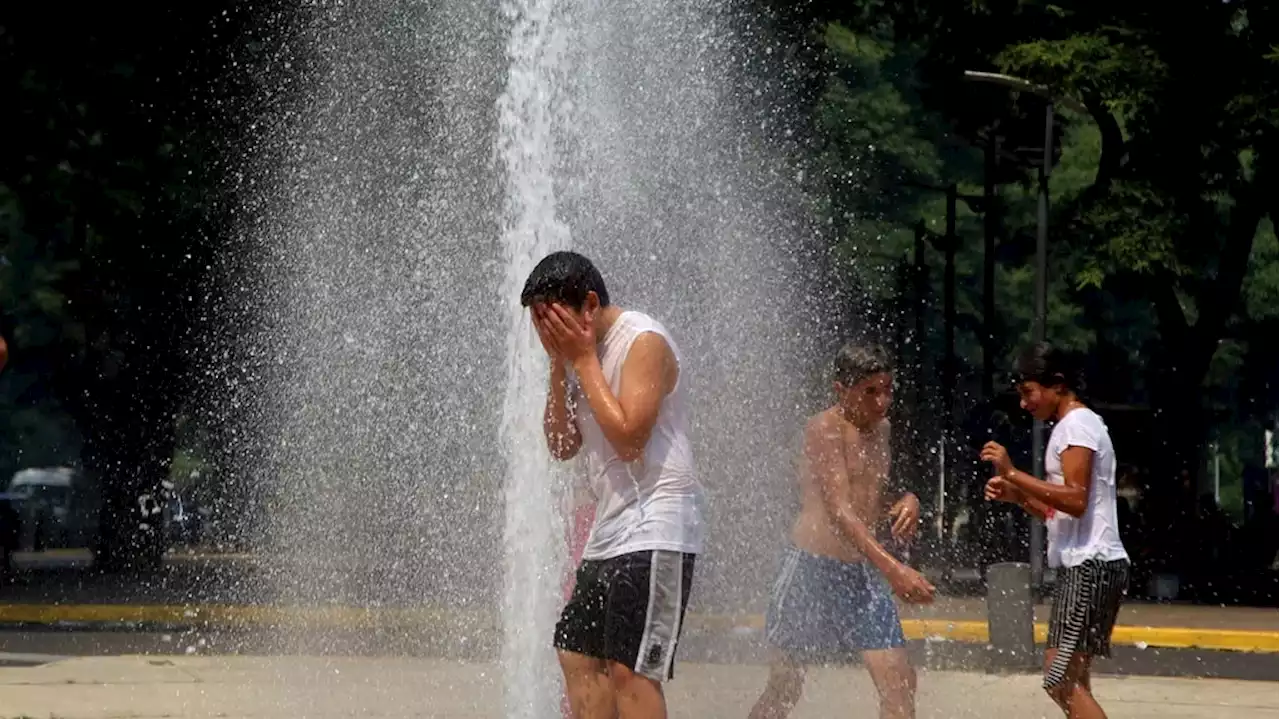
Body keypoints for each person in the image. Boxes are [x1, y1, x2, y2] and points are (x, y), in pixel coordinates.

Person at [522, 250, 706, 719]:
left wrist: (581, 359)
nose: (545, 333)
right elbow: (563, 446)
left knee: (631, 669)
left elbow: (629, 440)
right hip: (610, 532)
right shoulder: (577, 357)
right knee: (576, 651)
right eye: (540, 323)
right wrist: (558, 369)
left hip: (658, 523)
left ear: (587, 304)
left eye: (552, 319)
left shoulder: (643, 341)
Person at [749, 342, 933, 719]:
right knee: (785, 688)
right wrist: (895, 570)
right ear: (840, 390)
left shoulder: (882, 429)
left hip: (862, 571)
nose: (882, 402)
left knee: (900, 682)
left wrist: (907, 499)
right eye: (870, 391)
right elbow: (840, 513)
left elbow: (868, 500)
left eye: (887, 389)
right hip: (809, 570)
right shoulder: (824, 429)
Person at [979, 343, 1129, 719]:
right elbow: (1057, 512)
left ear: (1057, 384)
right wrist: (1017, 496)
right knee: (1074, 677)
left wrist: (1014, 473)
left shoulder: (1076, 425)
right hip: (1091, 564)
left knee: (1057, 676)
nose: (1025, 404)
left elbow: (1076, 499)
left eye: (1029, 392)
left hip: (1089, 566)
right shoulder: (1074, 425)